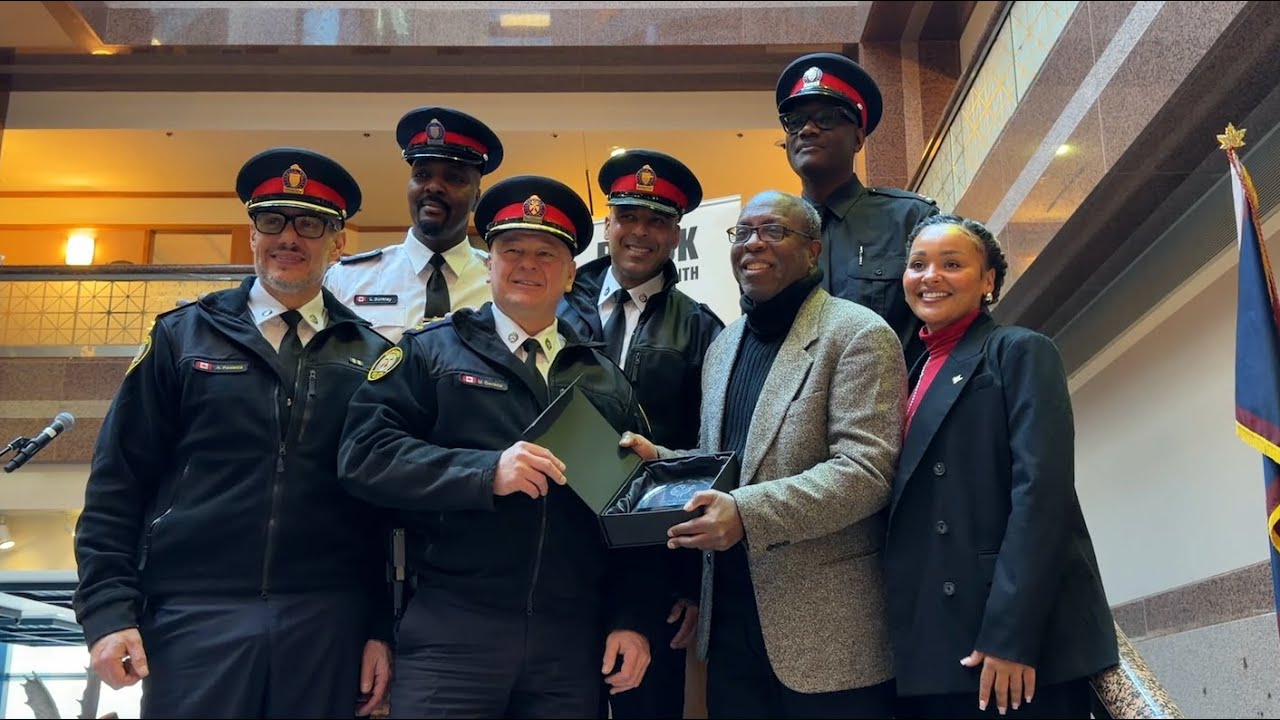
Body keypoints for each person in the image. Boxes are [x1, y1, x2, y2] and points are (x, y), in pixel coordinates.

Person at [72, 147, 393, 718]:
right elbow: (118, 481)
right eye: (273, 221)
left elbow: (374, 510)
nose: (288, 238)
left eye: (310, 224)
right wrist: (107, 610)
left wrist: (377, 627)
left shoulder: (371, 355)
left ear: (339, 241)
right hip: (194, 616)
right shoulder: (181, 337)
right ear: (251, 234)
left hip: (325, 620)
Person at [338, 175, 655, 719]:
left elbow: (628, 516)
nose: (527, 264)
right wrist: (485, 472)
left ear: (571, 272)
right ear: (488, 265)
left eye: (546, 252)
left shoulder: (603, 378)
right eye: (511, 250)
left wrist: (631, 617)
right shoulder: (429, 354)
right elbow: (364, 456)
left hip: (569, 644)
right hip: (452, 633)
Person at [622, 190, 908, 718]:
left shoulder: (859, 334)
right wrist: (658, 458)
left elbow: (866, 470)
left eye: (773, 231)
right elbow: (727, 461)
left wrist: (747, 514)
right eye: (743, 232)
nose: (753, 244)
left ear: (813, 251)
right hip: (730, 625)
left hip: (826, 639)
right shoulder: (725, 344)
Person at [885, 214, 1118, 718]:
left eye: (952, 264)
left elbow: (1041, 493)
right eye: (918, 264)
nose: (930, 277)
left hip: (1009, 641)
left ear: (988, 279)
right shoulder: (911, 368)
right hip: (935, 636)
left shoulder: (1020, 350)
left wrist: (1013, 635)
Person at [558, 148, 723, 720]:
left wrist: (693, 584)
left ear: (676, 234)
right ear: (608, 222)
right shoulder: (551, 305)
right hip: (556, 550)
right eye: (628, 215)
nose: (640, 232)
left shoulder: (703, 328)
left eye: (656, 221)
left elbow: (711, 455)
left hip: (655, 559)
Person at [776, 51, 939, 366]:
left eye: (826, 117)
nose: (807, 130)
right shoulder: (771, 235)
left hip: (891, 408)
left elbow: (950, 331)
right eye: (795, 121)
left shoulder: (911, 220)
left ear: (859, 137)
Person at [324, 106, 503, 344]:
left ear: (476, 199)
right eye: (422, 175)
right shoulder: (346, 280)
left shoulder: (502, 286)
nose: (433, 187)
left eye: (454, 178)